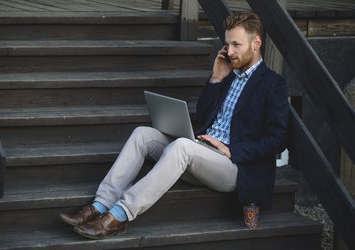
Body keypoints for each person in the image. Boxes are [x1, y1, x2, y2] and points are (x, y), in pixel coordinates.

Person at [60, 11, 289, 239]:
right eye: (227, 44)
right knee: (143, 134)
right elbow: (203, 116)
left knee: (181, 146)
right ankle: (100, 206)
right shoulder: (227, 75)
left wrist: (233, 150)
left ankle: (119, 215)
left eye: (236, 45)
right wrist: (216, 79)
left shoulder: (273, 84)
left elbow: (278, 138)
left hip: (234, 167)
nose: (229, 52)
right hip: (202, 153)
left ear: (256, 42)